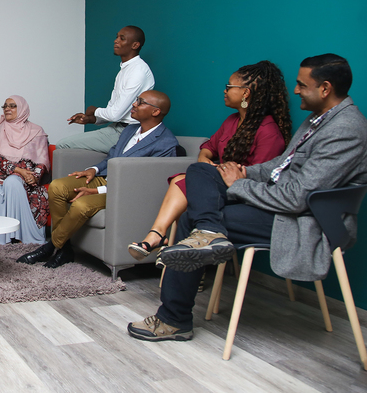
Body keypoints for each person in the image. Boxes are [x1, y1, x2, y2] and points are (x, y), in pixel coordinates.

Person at [128, 54, 367, 342]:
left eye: (302, 85)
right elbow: (280, 165)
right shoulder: (318, 120)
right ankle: (209, 232)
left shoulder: (345, 129)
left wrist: (239, 185)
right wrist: (242, 171)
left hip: (305, 220)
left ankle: (174, 317)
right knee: (200, 171)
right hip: (281, 203)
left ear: (325, 88)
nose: (296, 91)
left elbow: (298, 198)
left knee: (193, 217)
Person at [128, 61, 292, 260]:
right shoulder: (231, 121)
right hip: (214, 185)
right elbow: (207, 148)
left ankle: (158, 237)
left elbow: (260, 176)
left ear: (246, 93)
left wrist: (220, 174)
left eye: (229, 87)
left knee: (184, 181)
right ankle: (165, 241)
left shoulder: (269, 131)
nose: (224, 91)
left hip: (241, 193)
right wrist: (207, 165)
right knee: (191, 180)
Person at [19, 91, 178, 269]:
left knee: (82, 204)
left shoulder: (166, 143)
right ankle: (64, 249)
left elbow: (143, 183)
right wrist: (93, 170)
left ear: (156, 112)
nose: (134, 104)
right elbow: (113, 156)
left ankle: (52, 246)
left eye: (140, 102)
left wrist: (97, 191)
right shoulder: (131, 130)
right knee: (57, 186)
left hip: (122, 191)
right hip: (105, 178)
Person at [56, 26, 154, 153]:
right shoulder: (125, 70)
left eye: (122, 38)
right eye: (116, 37)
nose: (116, 41)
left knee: (63, 145)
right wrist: (91, 119)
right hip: (116, 127)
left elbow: (115, 114)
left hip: (128, 132)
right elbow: (113, 111)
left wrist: (95, 110)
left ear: (135, 45)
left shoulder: (137, 71)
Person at [0, 95, 51, 246]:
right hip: (1, 172)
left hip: (27, 174)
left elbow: (42, 159)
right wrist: (17, 170)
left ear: (22, 108)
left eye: (12, 105)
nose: (7, 108)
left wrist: (35, 176)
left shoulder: (36, 130)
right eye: (5, 106)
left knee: (13, 182)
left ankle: (25, 237)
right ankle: (1, 241)